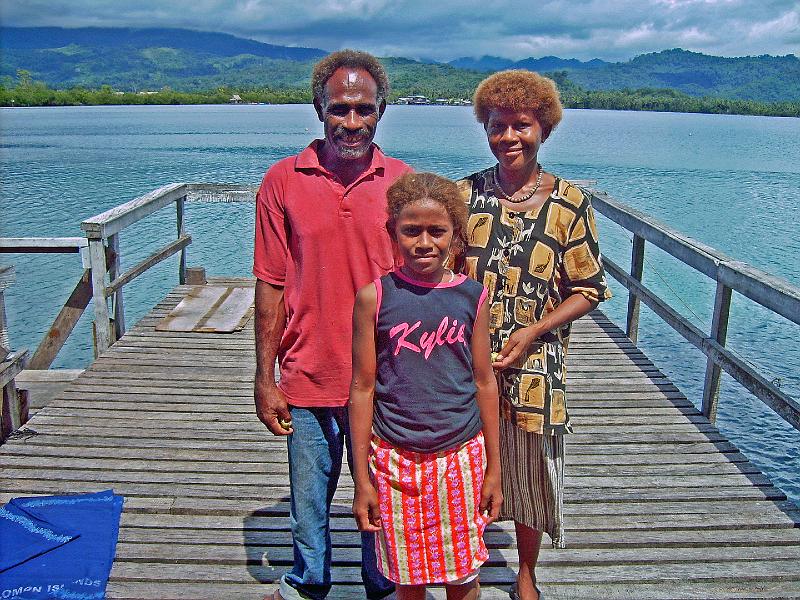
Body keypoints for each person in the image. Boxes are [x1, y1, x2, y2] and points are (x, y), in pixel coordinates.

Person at [253, 49, 412, 600]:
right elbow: (271, 282)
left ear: (381, 112)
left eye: (363, 110)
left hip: (386, 376)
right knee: (308, 498)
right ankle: (309, 581)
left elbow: (426, 282)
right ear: (318, 107)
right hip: (308, 371)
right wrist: (264, 376)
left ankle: (382, 583)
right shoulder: (282, 181)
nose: (352, 122)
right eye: (339, 109)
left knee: (383, 496)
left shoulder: (403, 184)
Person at [459, 71, 612, 600]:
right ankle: (465, 564)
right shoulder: (465, 195)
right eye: (497, 126)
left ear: (543, 127)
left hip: (536, 361)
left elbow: (589, 288)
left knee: (532, 471)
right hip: (465, 361)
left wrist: (534, 330)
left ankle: (525, 572)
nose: (509, 137)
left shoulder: (569, 202)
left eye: (520, 125)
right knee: (467, 463)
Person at [348, 172, 503, 600]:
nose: (424, 243)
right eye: (411, 230)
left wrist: (495, 467)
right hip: (394, 459)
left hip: (461, 457)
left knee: (462, 575)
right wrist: (362, 480)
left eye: (438, 231)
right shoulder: (373, 297)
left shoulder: (473, 296)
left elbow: (484, 381)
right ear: (391, 232)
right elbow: (361, 389)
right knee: (408, 577)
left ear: (456, 235)